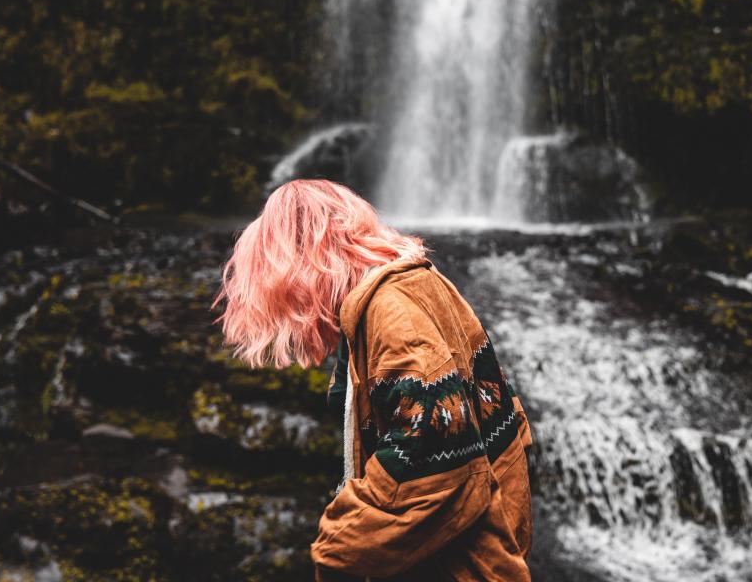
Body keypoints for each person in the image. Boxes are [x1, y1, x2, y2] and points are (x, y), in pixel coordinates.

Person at [211, 179, 534, 581]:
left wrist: (340, 545)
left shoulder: (392, 310)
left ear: (303, 264)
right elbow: (502, 433)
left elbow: (433, 449)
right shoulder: (417, 283)